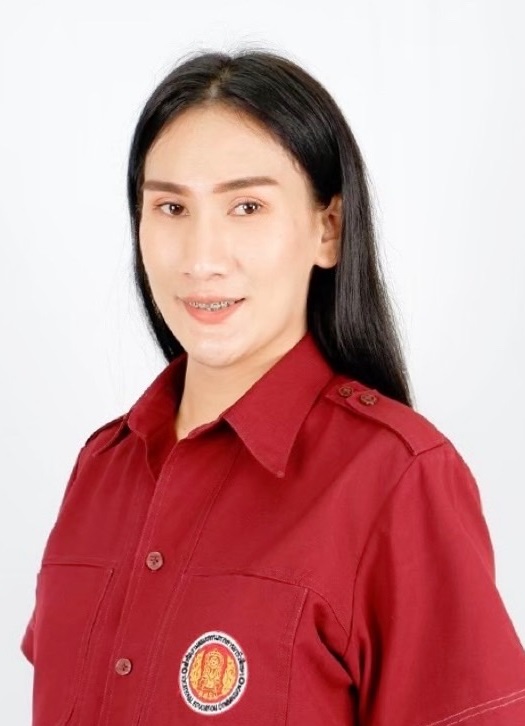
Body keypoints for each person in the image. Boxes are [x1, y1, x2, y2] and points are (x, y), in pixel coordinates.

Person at [21, 49, 525, 725]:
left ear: (327, 229)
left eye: (247, 206)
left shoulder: (396, 479)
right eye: (171, 207)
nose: (201, 258)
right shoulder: (100, 470)